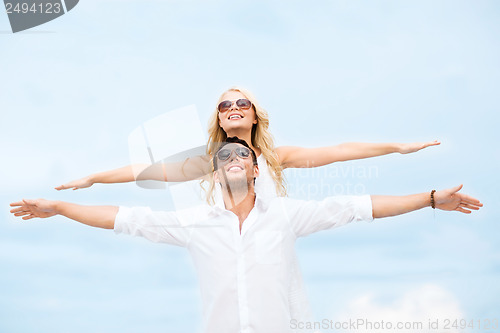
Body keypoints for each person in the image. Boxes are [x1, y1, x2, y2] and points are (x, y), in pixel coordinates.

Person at [11, 138, 482, 333]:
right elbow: (123, 217)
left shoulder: (288, 216)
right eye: (223, 157)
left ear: (257, 168)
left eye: (242, 155)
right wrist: (59, 206)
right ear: (213, 174)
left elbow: (360, 208)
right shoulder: (194, 223)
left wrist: (430, 196)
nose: (232, 158)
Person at [54, 86, 441, 322]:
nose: (233, 107)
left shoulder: (275, 158)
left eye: (242, 102)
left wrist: (397, 147)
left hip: (275, 246)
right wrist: (93, 178)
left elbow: (339, 151)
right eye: (224, 105)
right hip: (228, 245)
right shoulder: (208, 163)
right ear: (219, 121)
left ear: (254, 113)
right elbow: (148, 171)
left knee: (291, 312)